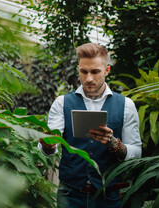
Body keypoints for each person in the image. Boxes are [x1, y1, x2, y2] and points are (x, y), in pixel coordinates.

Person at [39, 43, 142, 208]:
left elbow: (136, 153)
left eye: (95, 72)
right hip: (69, 195)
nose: (88, 79)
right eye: (84, 72)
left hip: (108, 196)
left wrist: (114, 144)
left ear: (107, 70)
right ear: (78, 69)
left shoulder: (126, 105)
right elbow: (50, 148)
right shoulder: (62, 103)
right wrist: (49, 146)